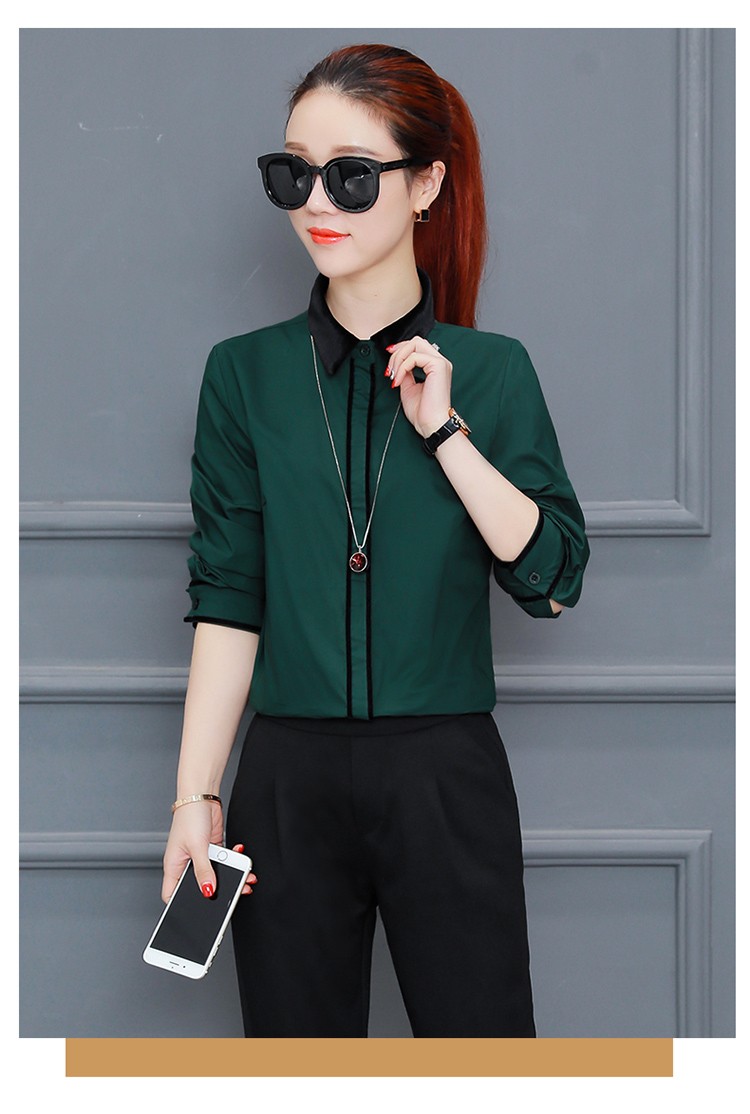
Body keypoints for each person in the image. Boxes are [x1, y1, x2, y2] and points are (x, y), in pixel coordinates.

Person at [161, 42, 589, 1038]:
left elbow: (553, 578)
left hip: (446, 778)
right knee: (296, 1075)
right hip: (286, 785)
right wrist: (195, 797)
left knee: (485, 1070)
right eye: (293, 174)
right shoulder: (244, 376)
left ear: (425, 183)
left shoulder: (494, 371)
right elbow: (229, 598)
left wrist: (445, 431)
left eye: (351, 176)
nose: (317, 202)